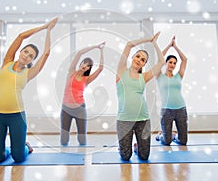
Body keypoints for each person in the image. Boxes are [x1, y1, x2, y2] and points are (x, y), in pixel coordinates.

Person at [0, 18, 58, 163]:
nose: (26, 56)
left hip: (17, 116)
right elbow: (21, 36)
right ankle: (9, 149)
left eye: (31, 56)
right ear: (21, 51)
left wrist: (48, 31)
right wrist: (43, 26)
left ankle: (25, 147)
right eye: (25, 52)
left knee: (19, 157)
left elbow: (46, 54)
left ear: (31, 60)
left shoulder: (29, 73)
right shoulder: (7, 62)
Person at [116, 32, 165, 161]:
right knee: (125, 156)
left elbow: (162, 62)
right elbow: (128, 45)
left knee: (144, 156)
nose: (139, 60)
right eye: (138, 56)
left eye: (143, 60)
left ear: (144, 64)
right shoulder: (121, 71)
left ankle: (137, 147)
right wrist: (149, 39)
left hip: (143, 119)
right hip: (124, 120)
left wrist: (154, 43)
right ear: (133, 57)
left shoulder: (144, 77)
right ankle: (123, 147)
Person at [60, 42, 105, 146]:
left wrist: (101, 50)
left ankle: (81, 158)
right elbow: (79, 53)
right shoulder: (71, 72)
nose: (85, 65)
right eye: (84, 63)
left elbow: (101, 68)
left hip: (80, 109)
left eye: (88, 65)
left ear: (89, 69)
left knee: (82, 141)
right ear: (81, 64)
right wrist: (95, 46)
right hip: (66, 108)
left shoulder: (87, 79)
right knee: (64, 141)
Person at [156, 36, 188, 145]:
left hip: (181, 109)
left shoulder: (179, 76)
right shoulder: (159, 75)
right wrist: (169, 46)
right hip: (166, 110)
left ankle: (174, 135)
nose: (173, 65)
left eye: (174, 63)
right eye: (170, 62)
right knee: (166, 142)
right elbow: (159, 58)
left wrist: (176, 47)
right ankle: (161, 135)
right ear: (165, 63)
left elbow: (185, 60)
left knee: (183, 141)